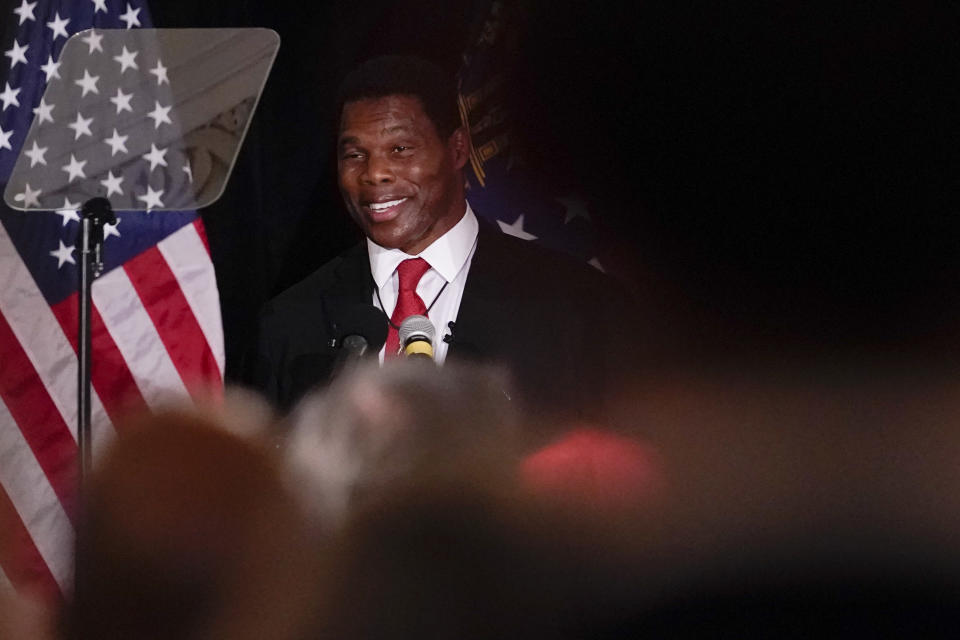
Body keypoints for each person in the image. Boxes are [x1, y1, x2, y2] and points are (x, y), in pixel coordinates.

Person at [250, 55, 636, 420]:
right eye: (354, 155)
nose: (375, 174)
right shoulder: (288, 323)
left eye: (400, 149)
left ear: (457, 149)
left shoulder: (579, 308)